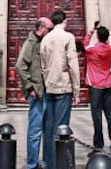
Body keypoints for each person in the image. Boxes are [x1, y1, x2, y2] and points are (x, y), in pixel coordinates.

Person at [40, 10, 80, 167]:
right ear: (65, 21)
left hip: (49, 87)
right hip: (63, 87)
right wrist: (76, 90)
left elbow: (43, 65)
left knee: (49, 126)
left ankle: (49, 162)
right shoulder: (68, 37)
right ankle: (60, 163)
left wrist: (47, 81)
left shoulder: (45, 38)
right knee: (62, 126)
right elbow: (73, 65)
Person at [15, 17, 54, 169]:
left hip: (46, 92)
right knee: (35, 130)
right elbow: (20, 66)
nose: (50, 32)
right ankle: (32, 164)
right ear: (42, 28)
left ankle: (45, 161)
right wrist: (30, 87)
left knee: (46, 129)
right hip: (37, 93)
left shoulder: (42, 42)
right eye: (49, 29)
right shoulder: (30, 43)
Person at [84, 22, 111, 159]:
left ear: (98, 37)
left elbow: (84, 44)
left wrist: (91, 30)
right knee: (110, 117)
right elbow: (107, 41)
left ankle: (99, 147)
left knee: (97, 118)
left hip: (95, 87)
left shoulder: (93, 49)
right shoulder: (110, 48)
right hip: (107, 86)